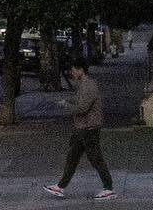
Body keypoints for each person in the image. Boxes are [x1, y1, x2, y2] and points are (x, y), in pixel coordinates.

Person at [44, 61, 115, 200]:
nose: (72, 73)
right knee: (72, 158)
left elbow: (82, 108)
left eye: (74, 70)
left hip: (89, 128)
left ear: (81, 70)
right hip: (81, 128)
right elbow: (78, 101)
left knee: (96, 159)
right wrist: (67, 101)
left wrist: (66, 105)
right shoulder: (83, 85)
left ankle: (109, 188)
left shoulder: (89, 86)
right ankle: (60, 186)